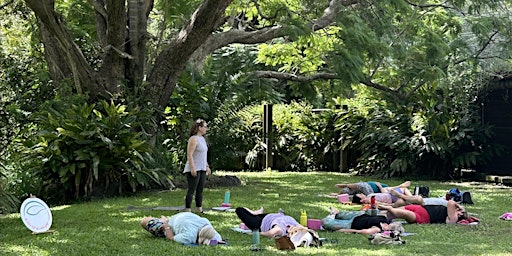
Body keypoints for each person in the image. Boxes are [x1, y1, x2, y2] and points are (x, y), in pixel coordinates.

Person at [140, 212, 224, 245]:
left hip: (170, 225)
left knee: (144, 221)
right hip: (176, 220)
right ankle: (164, 219)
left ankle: (163, 220)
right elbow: (217, 241)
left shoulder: (189, 236)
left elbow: (170, 237)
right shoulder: (210, 229)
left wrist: (165, 225)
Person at [183, 118, 211, 213]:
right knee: (192, 189)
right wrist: (192, 168)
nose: (206, 129)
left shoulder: (202, 139)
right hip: (194, 168)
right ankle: (188, 209)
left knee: (200, 190)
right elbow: (189, 154)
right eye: (205, 127)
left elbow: (204, 155)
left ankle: (199, 209)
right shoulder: (193, 139)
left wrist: (207, 166)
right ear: (199, 128)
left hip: (202, 167)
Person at [321, 207, 404, 235]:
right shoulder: (385, 219)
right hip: (358, 215)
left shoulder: (377, 229)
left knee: (325, 222)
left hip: (351, 224)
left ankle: (332, 214)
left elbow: (361, 231)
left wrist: (344, 230)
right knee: (340, 214)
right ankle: (336, 213)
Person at [378, 200, 470, 224]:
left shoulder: (454, 218)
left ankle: (387, 208)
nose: (456, 210)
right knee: (392, 214)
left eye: (458, 211)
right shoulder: (452, 214)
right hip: (421, 208)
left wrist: (459, 207)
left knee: (403, 213)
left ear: (460, 214)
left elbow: (450, 203)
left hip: (424, 217)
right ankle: (379, 215)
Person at [235, 207, 302, 237]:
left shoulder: (281, 230)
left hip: (258, 224)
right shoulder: (295, 224)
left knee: (239, 210)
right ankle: (257, 213)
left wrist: (256, 234)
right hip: (269, 216)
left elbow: (269, 234)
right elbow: (305, 229)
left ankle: (255, 213)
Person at [332, 181, 411, 196]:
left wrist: (379, 186)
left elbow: (384, 192)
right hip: (366, 188)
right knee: (348, 191)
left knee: (361, 185)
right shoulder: (388, 187)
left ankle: (346, 184)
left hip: (369, 190)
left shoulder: (389, 189)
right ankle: (338, 195)